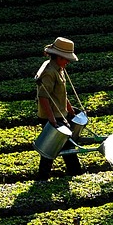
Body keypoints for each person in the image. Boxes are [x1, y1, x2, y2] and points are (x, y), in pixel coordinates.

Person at [34, 36, 83, 180]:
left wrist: (71, 111)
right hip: (53, 117)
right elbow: (43, 97)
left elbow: (61, 95)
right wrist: (52, 122)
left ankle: (47, 178)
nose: (68, 61)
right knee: (54, 149)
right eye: (66, 58)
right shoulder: (50, 72)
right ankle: (73, 175)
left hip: (61, 115)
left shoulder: (60, 69)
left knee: (59, 149)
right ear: (58, 56)